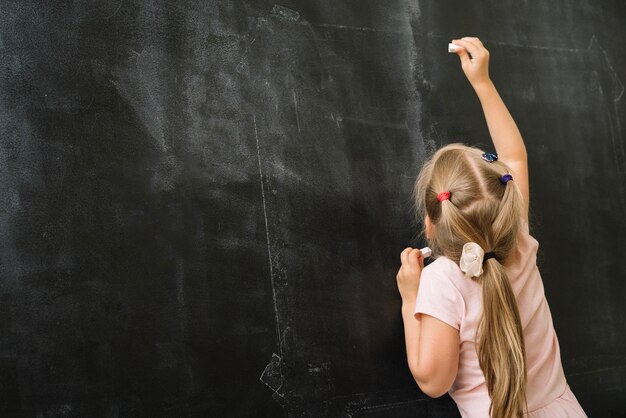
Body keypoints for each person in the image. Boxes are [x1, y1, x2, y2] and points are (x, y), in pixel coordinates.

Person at [395, 37, 587, 418]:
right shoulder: (516, 241)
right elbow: (514, 156)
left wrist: (409, 298)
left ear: (430, 224)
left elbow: (433, 381)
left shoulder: (442, 282)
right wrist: (482, 81)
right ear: (506, 204)